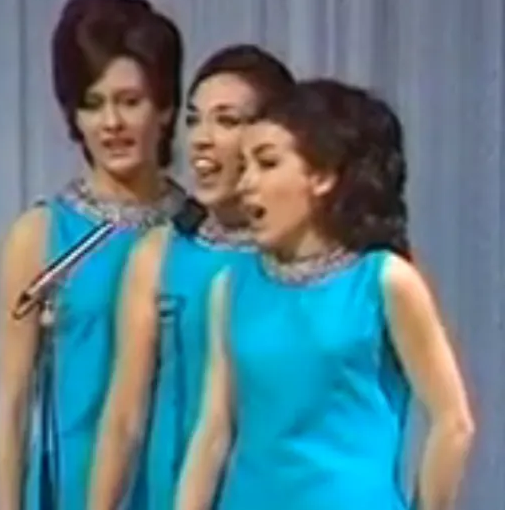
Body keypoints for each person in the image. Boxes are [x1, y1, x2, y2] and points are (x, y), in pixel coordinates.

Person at [177, 79, 475, 510]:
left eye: (267, 163)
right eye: (243, 167)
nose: (246, 184)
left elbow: (454, 422)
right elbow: (214, 430)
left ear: (322, 176)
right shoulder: (232, 286)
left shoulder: (383, 281)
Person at [0, 0, 185, 510]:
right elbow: (11, 408)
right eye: (93, 104)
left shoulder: (202, 234)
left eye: (130, 101)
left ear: (166, 107)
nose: (111, 123)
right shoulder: (38, 236)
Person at [88, 44, 295, 510]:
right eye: (194, 120)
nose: (202, 139)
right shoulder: (159, 253)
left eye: (227, 121)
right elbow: (124, 418)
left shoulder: (304, 257)